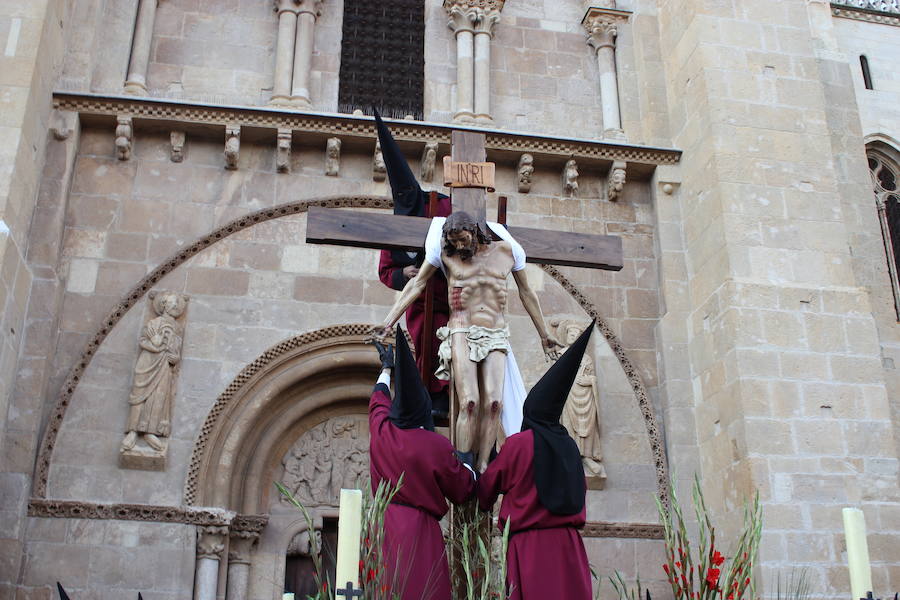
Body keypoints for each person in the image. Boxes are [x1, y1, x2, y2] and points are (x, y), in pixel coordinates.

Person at [477, 325, 595, 600]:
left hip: (530, 548)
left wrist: (488, 461)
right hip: (570, 549)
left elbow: (486, 491)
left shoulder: (519, 444)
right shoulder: (569, 446)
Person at [368, 327, 476, 600]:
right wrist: (466, 462)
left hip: (382, 527)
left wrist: (386, 369)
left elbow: (378, 400)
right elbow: (463, 489)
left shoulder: (381, 429)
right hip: (420, 531)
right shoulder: (435, 444)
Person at [374, 109, 452, 418]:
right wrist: (402, 273)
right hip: (419, 302)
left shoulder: (440, 204)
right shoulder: (395, 227)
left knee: (450, 343)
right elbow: (385, 272)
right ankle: (430, 401)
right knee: (424, 344)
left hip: (449, 294)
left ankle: (447, 396)